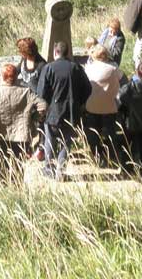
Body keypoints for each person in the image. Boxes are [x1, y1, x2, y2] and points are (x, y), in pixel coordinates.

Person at [0, 63, 48, 186]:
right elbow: (43, 106)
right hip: (20, 134)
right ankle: (17, 188)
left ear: (2, 76)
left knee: (0, 162)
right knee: (18, 164)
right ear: (16, 77)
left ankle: (2, 188)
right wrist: (33, 119)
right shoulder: (25, 92)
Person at [35, 41, 92, 181]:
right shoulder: (76, 68)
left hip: (53, 112)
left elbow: (41, 92)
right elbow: (88, 88)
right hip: (72, 111)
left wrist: (46, 105)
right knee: (66, 142)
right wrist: (79, 103)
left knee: (50, 140)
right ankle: (61, 171)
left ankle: (49, 169)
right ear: (67, 53)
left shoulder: (49, 68)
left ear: (55, 52)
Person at [82, 45, 123, 167]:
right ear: (105, 55)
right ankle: (112, 155)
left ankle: (97, 157)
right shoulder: (113, 69)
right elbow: (123, 80)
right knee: (111, 132)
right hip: (109, 106)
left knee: (93, 133)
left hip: (92, 105)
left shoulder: (88, 69)